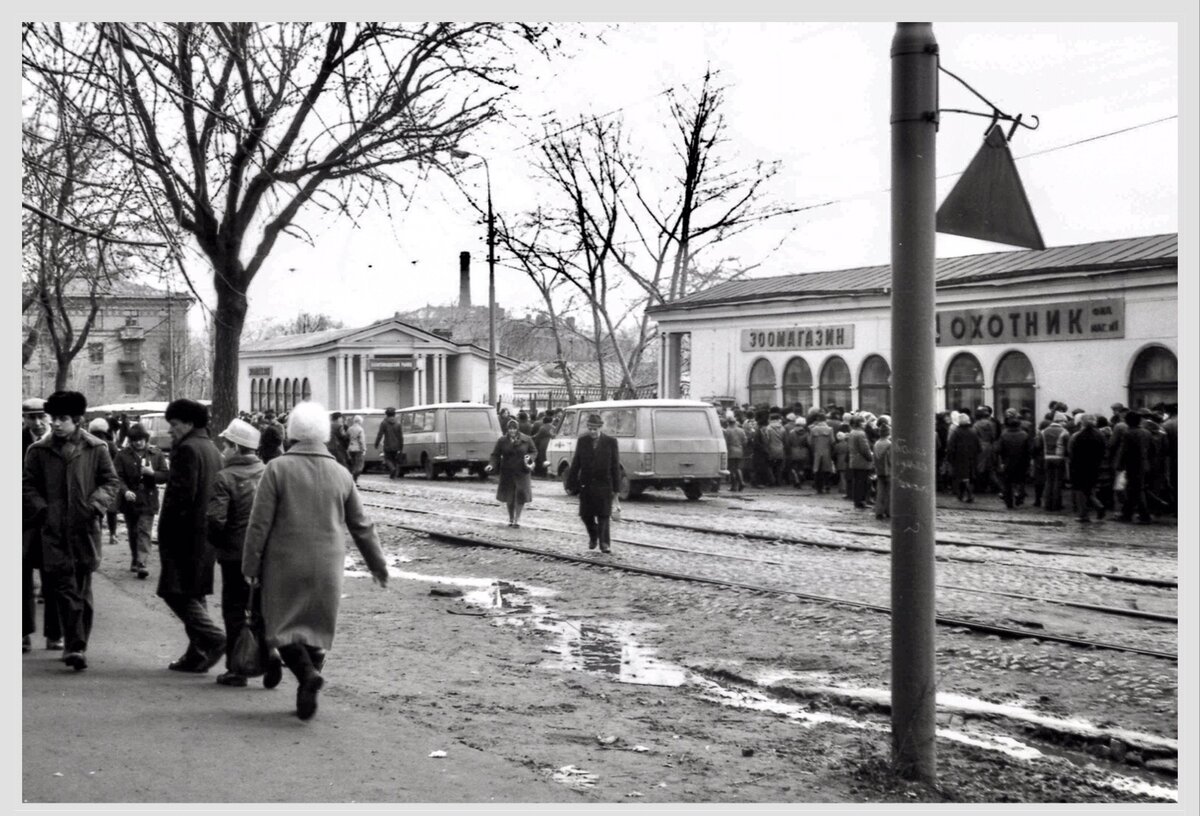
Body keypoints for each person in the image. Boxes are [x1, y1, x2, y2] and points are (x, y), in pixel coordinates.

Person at [242, 402, 389, 720]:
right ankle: (308, 682)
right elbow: (362, 525)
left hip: (283, 564)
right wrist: (377, 565)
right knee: (317, 627)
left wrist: (250, 566)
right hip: (328, 565)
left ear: (292, 432)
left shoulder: (277, 469)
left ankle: (307, 676)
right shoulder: (341, 474)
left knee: (281, 626)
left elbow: (259, 524)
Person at [22, 391, 121, 670]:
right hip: (53, 531)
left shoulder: (96, 448)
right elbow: (27, 485)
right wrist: (43, 510)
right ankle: (75, 647)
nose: (55, 424)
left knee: (83, 588)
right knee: (65, 588)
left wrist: (94, 506)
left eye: (62, 419)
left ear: (77, 420)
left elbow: (110, 482)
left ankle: (77, 643)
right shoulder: (38, 451)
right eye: (54, 419)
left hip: (85, 530)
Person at [157, 399, 227, 674]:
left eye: (174, 425)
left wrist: (166, 533)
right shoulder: (211, 448)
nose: (171, 430)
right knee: (194, 592)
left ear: (188, 424)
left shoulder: (186, 449)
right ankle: (196, 654)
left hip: (183, 534)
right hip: (204, 535)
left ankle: (213, 638)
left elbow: (180, 498)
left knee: (174, 591)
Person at [206, 418, 277, 688]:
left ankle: (238, 669)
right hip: (267, 554)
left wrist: (219, 544)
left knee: (234, 611)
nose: (223, 450)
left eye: (225, 445)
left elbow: (216, 520)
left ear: (235, 447)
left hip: (235, 555)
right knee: (262, 609)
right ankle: (270, 656)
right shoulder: (269, 472)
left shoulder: (224, 477)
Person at [22, 397, 64, 654]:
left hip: (53, 519)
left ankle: (55, 633)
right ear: (24, 419)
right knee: (20, 578)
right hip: (22, 521)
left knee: (54, 577)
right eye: (31, 417)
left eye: (41, 417)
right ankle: (22, 633)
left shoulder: (61, 442)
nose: (37, 423)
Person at [113, 423, 169, 579]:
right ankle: (135, 558)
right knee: (133, 531)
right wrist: (125, 491)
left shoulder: (156, 454)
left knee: (144, 530)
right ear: (130, 440)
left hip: (148, 499)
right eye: (135, 440)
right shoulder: (122, 455)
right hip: (130, 501)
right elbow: (118, 477)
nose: (138, 442)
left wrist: (152, 473)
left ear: (146, 439)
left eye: (141, 439)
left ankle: (142, 563)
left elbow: (165, 475)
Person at [566, 413, 621, 554]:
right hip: (587, 484)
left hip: (604, 484)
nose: (592, 432)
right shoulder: (582, 441)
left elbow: (615, 466)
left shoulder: (611, 442)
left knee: (603, 515)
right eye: (590, 428)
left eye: (594, 429)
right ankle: (593, 535)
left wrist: (617, 488)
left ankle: (604, 543)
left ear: (600, 428)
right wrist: (571, 483)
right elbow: (576, 462)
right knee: (585, 515)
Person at [487, 419, 537, 527]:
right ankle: (510, 518)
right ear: (507, 429)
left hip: (522, 471)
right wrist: (491, 465)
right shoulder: (502, 441)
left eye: (514, 428)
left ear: (517, 429)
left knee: (520, 495)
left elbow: (534, 451)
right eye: (510, 429)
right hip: (507, 472)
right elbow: (495, 455)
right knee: (509, 496)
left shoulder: (527, 439)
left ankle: (517, 519)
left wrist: (530, 458)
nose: (512, 431)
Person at [1067, 414, 1107, 523]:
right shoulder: (1100, 435)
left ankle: (1084, 514)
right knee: (1090, 488)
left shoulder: (1077, 435)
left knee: (1080, 490)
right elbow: (1103, 450)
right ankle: (1098, 505)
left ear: (1082, 423)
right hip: (1094, 465)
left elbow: (1071, 451)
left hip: (1079, 465)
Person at [89, 418, 121, 548]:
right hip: (109, 480)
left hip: (94, 481)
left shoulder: (90, 444)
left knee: (97, 509)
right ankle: (113, 534)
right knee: (111, 510)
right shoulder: (110, 445)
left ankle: (98, 534)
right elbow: (117, 462)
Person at [996, 414, 1032, 509]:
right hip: (1022, 462)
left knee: (1007, 482)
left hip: (1007, 461)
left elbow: (998, 449)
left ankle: (1009, 502)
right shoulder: (1024, 435)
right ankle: (1020, 497)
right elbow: (1029, 450)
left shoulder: (1004, 435)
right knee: (1021, 481)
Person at [945, 413, 981, 502]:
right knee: (968, 476)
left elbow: (951, 446)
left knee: (962, 477)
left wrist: (950, 457)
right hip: (971, 457)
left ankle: (968, 494)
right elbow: (978, 446)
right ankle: (962, 495)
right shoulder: (973, 431)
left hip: (959, 457)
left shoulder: (956, 432)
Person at [1040, 412, 1070, 512]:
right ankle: (1056, 505)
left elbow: (1039, 445)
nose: (1065, 423)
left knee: (1048, 481)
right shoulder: (1064, 432)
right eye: (1064, 421)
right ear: (1060, 421)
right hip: (1059, 458)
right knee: (1058, 482)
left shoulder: (1044, 431)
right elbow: (1068, 447)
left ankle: (1047, 504)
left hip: (1047, 458)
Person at [847, 415, 874, 510]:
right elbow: (864, 449)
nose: (865, 423)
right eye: (863, 422)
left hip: (854, 460)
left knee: (857, 482)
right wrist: (871, 457)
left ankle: (857, 501)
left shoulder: (852, 432)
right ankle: (861, 501)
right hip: (862, 462)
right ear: (859, 423)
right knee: (863, 482)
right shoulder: (861, 434)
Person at [374, 407, 405, 479]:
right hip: (397, 445)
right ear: (394, 414)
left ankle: (392, 470)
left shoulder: (384, 423)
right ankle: (393, 474)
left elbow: (380, 434)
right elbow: (401, 436)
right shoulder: (398, 423)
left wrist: (376, 443)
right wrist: (401, 447)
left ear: (386, 414)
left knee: (387, 459)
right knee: (394, 459)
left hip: (387, 445)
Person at [872, 421, 892, 519]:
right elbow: (890, 459)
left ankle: (879, 511)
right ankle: (888, 511)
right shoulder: (889, 444)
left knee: (880, 492)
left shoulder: (876, 443)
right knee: (889, 492)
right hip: (888, 470)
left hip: (879, 470)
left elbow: (875, 458)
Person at [722, 418, 746, 492]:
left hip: (731, 450)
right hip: (740, 450)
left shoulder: (727, 431)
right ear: (735, 422)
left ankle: (734, 486)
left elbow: (725, 442)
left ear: (728, 423)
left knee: (731, 469)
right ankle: (741, 482)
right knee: (738, 467)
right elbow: (745, 441)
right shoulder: (741, 430)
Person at [346, 415, 366, 484]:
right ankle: (354, 478)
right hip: (358, 449)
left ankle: (353, 480)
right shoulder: (360, 429)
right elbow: (361, 440)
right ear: (360, 421)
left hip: (350, 449)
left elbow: (347, 439)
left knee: (353, 464)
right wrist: (364, 449)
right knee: (360, 465)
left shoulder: (349, 429)